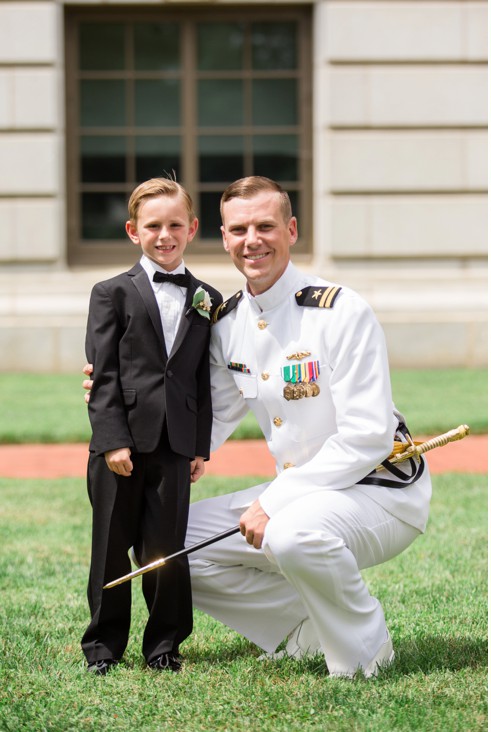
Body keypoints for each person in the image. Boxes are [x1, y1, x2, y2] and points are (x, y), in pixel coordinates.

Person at [88, 176, 431, 677]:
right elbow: (207, 413)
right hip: (302, 494)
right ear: (223, 238)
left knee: (289, 533)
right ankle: (303, 628)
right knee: (167, 542)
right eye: (240, 229)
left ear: (291, 229)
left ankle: (363, 650)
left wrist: (273, 500)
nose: (254, 240)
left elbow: (367, 436)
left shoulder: (340, 312)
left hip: (380, 492)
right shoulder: (227, 323)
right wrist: (119, 399)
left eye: (266, 226)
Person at [82, 178, 221, 675]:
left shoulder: (208, 296)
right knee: (111, 547)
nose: (165, 235)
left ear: (193, 229)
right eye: (153, 226)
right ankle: (103, 647)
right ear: (132, 231)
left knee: (167, 550)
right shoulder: (110, 293)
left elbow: (203, 378)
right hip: (120, 446)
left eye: (175, 225)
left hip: (175, 444)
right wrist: (113, 440)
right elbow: (104, 374)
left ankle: (164, 645)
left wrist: (199, 446)